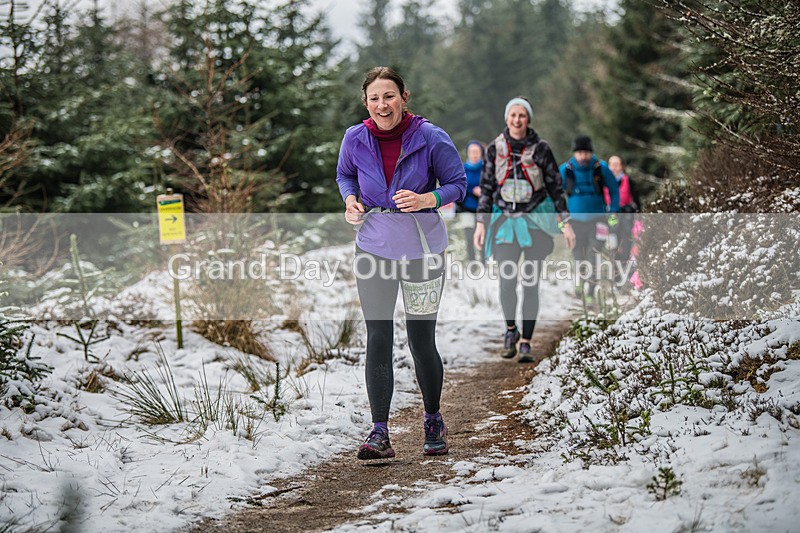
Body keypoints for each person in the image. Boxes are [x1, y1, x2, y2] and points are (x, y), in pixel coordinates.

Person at [336, 66, 466, 460]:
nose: (382, 105)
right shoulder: (354, 138)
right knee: (378, 337)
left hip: (422, 252)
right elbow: (345, 176)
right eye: (374, 98)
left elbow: (458, 183)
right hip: (373, 249)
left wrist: (430, 199)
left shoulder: (430, 137)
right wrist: (350, 201)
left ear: (404, 97)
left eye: (389, 96)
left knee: (420, 340)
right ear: (366, 102)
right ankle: (379, 432)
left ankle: (432, 420)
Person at [474, 97, 576, 362]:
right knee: (507, 281)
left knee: (530, 283)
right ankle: (510, 331)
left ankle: (527, 342)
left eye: (522, 115)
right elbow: (486, 189)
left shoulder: (541, 149)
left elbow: (555, 187)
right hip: (504, 222)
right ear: (507, 118)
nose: (517, 119)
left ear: (528, 119)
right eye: (513, 115)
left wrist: (565, 224)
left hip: (535, 223)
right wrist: (480, 224)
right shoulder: (494, 149)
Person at [559, 136, 620, 303]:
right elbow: (555, 194)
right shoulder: (566, 170)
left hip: (598, 220)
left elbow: (614, 190)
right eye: (580, 153)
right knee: (578, 255)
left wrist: (613, 211)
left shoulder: (600, 168)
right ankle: (580, 282)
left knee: (594, 256)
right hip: (575, 222)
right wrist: (562, 219)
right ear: (575, 154)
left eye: (586, 153)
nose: (583, 156)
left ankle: (591, 291)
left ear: (590, 153)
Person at [605, 155, 640, 276]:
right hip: (610, 220)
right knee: (612, 249)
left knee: (625, 248)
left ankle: (625, 277)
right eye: (611, 164)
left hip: (626, 218)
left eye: (616, 164)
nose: (614, 167)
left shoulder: (628, 181)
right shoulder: (603, 182)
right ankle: (615, 277)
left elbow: (637, 201)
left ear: (622, 167)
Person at [457, 140, 484, 262]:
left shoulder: (486, 169)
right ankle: (472, 262)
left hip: (483, 208)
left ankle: (484, 261)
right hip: (466, 207)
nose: (474, 154)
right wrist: (471, 190)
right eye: (472, 152)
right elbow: (457, 187)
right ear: (467, 153)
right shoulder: (462, 169)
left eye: (477, 151)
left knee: (483, 236)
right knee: (469, 236)